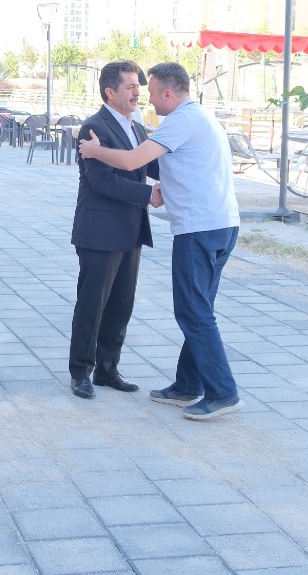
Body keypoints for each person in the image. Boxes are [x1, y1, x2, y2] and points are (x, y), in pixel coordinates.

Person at [79, 62, 242, 420]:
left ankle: (223, 392)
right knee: (199, 309)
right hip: (220, 224)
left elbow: (133, 161)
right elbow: (162, 166)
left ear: (169, 93)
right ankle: (187, 384)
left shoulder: (181, 120)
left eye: (151, 92)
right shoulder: (198, 116)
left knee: (193, 311)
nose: (147, 99)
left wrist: (94, 151)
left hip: (199, 228)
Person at [68, 61, 163, 400]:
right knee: (92, 305)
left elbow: (151, 165)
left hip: (130, 229)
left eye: (138, 85)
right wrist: (147, 194)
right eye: (130, 86)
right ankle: (81, 372)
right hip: (100, 231)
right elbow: (101, 180)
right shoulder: (94, 127)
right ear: (110, 91)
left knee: (121, 304)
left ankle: (108, 369)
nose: (138, 91)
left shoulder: (136, 127)